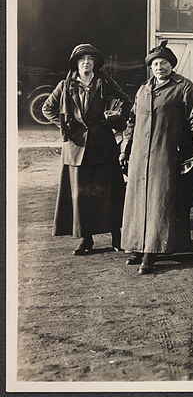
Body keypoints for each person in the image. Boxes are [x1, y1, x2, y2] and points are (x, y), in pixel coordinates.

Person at [119, 40, 193, 274]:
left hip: (165, 151)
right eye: (156, 64)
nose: (160, 67)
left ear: (172, 66)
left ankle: (152, 252)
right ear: (151, 67)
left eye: (165, 63)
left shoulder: (184, 87)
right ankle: (136, 246)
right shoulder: (143, 89)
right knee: (138, 199)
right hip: (141, 153)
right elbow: (132, 121)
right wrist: (125, 147)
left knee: (160, 200)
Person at [42, 44, 130, 255]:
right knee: (80, 197)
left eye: (90, 59)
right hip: (76, 149)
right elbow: (47, 108)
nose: (86, 63)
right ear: (76, 64)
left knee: (110, 193)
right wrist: (65, 125)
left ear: (95, 64)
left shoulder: (105, 82)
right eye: (82, 60)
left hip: (103, 147)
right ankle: (85, 240)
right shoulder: (65, 85)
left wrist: (114, 117)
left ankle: (117, 237)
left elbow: (126, 103)